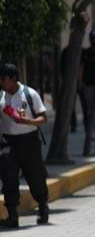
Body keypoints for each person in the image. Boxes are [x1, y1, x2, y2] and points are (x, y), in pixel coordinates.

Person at [0, 63, 49, 228]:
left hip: (29, 142)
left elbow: (43, 118)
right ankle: (12, 215)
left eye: (3, 79)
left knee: (35, 177)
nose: (1, 82)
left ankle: (42, 206)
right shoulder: (1, 97)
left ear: (13, 79)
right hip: (9, 143)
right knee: (9, 179)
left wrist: (27, 121)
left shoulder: (29, 94)